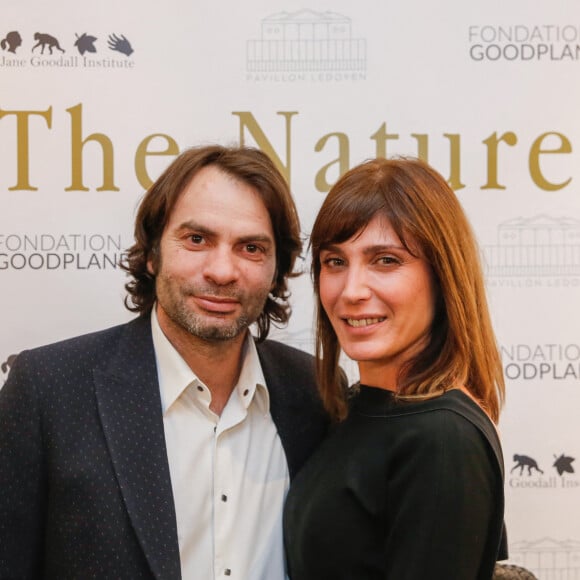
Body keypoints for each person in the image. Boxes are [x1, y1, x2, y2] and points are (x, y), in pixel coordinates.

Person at [0, 145, 328, 579]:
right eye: (197, 239)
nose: (222, 271)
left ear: (276, 269)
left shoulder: (314, 393)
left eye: (250, 248)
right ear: (152, 254)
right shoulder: (48, 390)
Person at [284, 157, 507, 579]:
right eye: (335, 261)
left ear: (443, 276)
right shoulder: (360, 408)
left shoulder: (441, 438)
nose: (351, 291)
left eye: (385, 260)